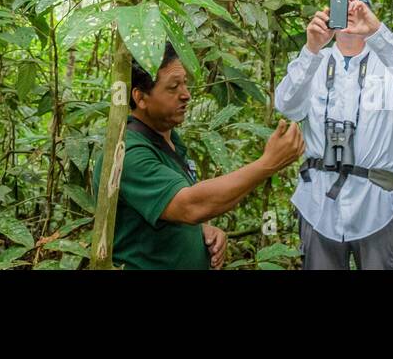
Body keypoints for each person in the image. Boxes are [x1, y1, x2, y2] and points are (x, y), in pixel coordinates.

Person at [93, 42, 304, 270]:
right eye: (173, 87)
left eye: (185, 83)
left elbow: (168, 210)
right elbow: (190, 206)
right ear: (140, 97)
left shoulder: (169, 139)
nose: (186, 95)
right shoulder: (127, 154)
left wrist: (202, 232)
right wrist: (267, 164)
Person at [274, 0, 393, 269]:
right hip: (318, 204)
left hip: (377, 203)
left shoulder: (388, 61)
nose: (348, 15)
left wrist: (375, 32)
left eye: (357, 8)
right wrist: (311, 48)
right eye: (340, 8)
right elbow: (286, 105)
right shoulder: (314, 62)